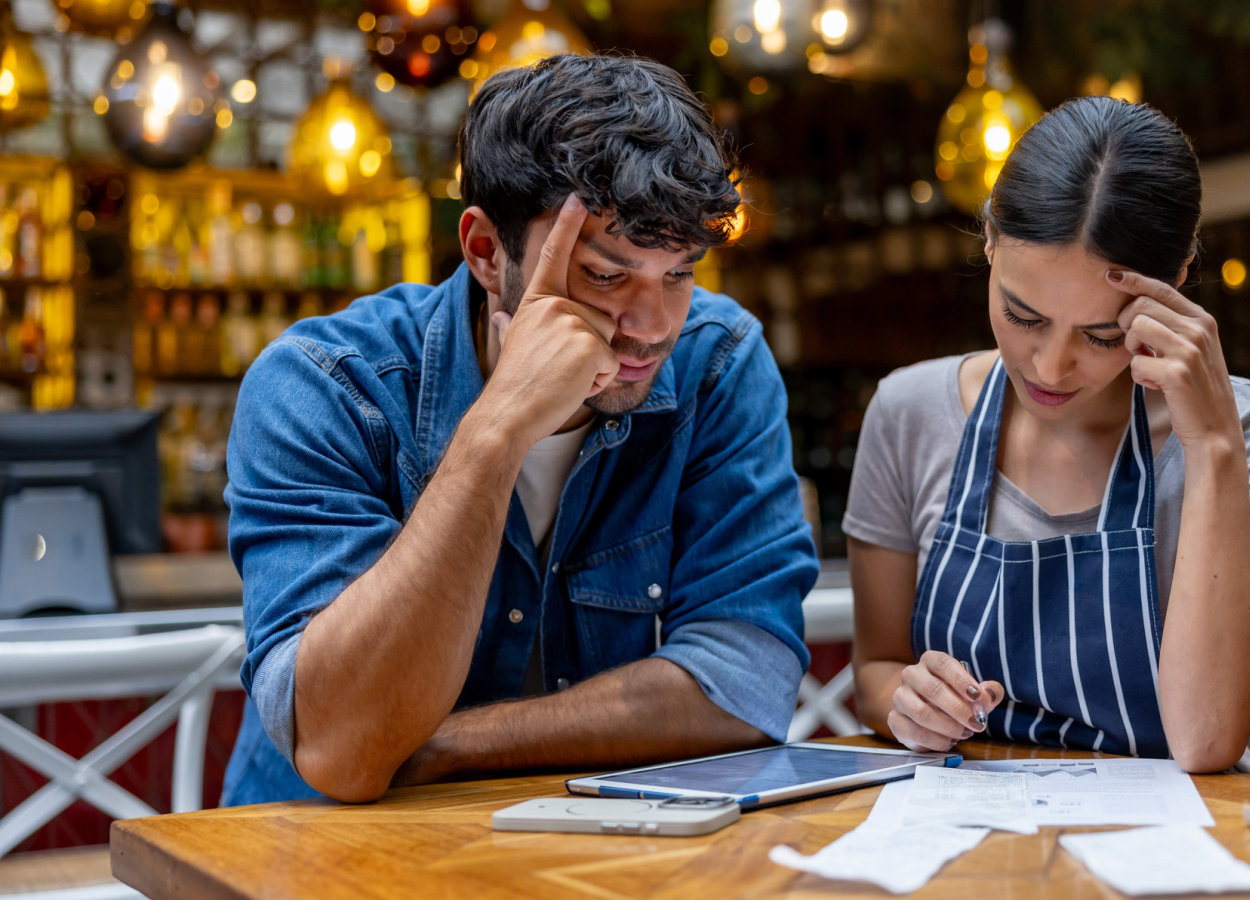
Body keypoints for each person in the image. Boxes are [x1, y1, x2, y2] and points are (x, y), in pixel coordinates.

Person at [220, 55, 816, 806]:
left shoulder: (716, 363)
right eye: (605, 275)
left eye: (679, 274)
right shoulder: (324, 385)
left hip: (585, 856)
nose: (654, 327)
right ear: (483, 250)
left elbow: (744, 681)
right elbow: (344, 748)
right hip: (311, 857)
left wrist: (437, 747)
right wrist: (495, 433)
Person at [844, 96, 1250, 774]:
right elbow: (875, 673)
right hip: (975, 842)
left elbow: (1210, 740)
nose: (1051, 366)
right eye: (1022, 315)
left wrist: (1212, 449)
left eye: (1101, 335)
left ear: (1176, 283)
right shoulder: (909, 413)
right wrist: (907, 702)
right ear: (989, 240)